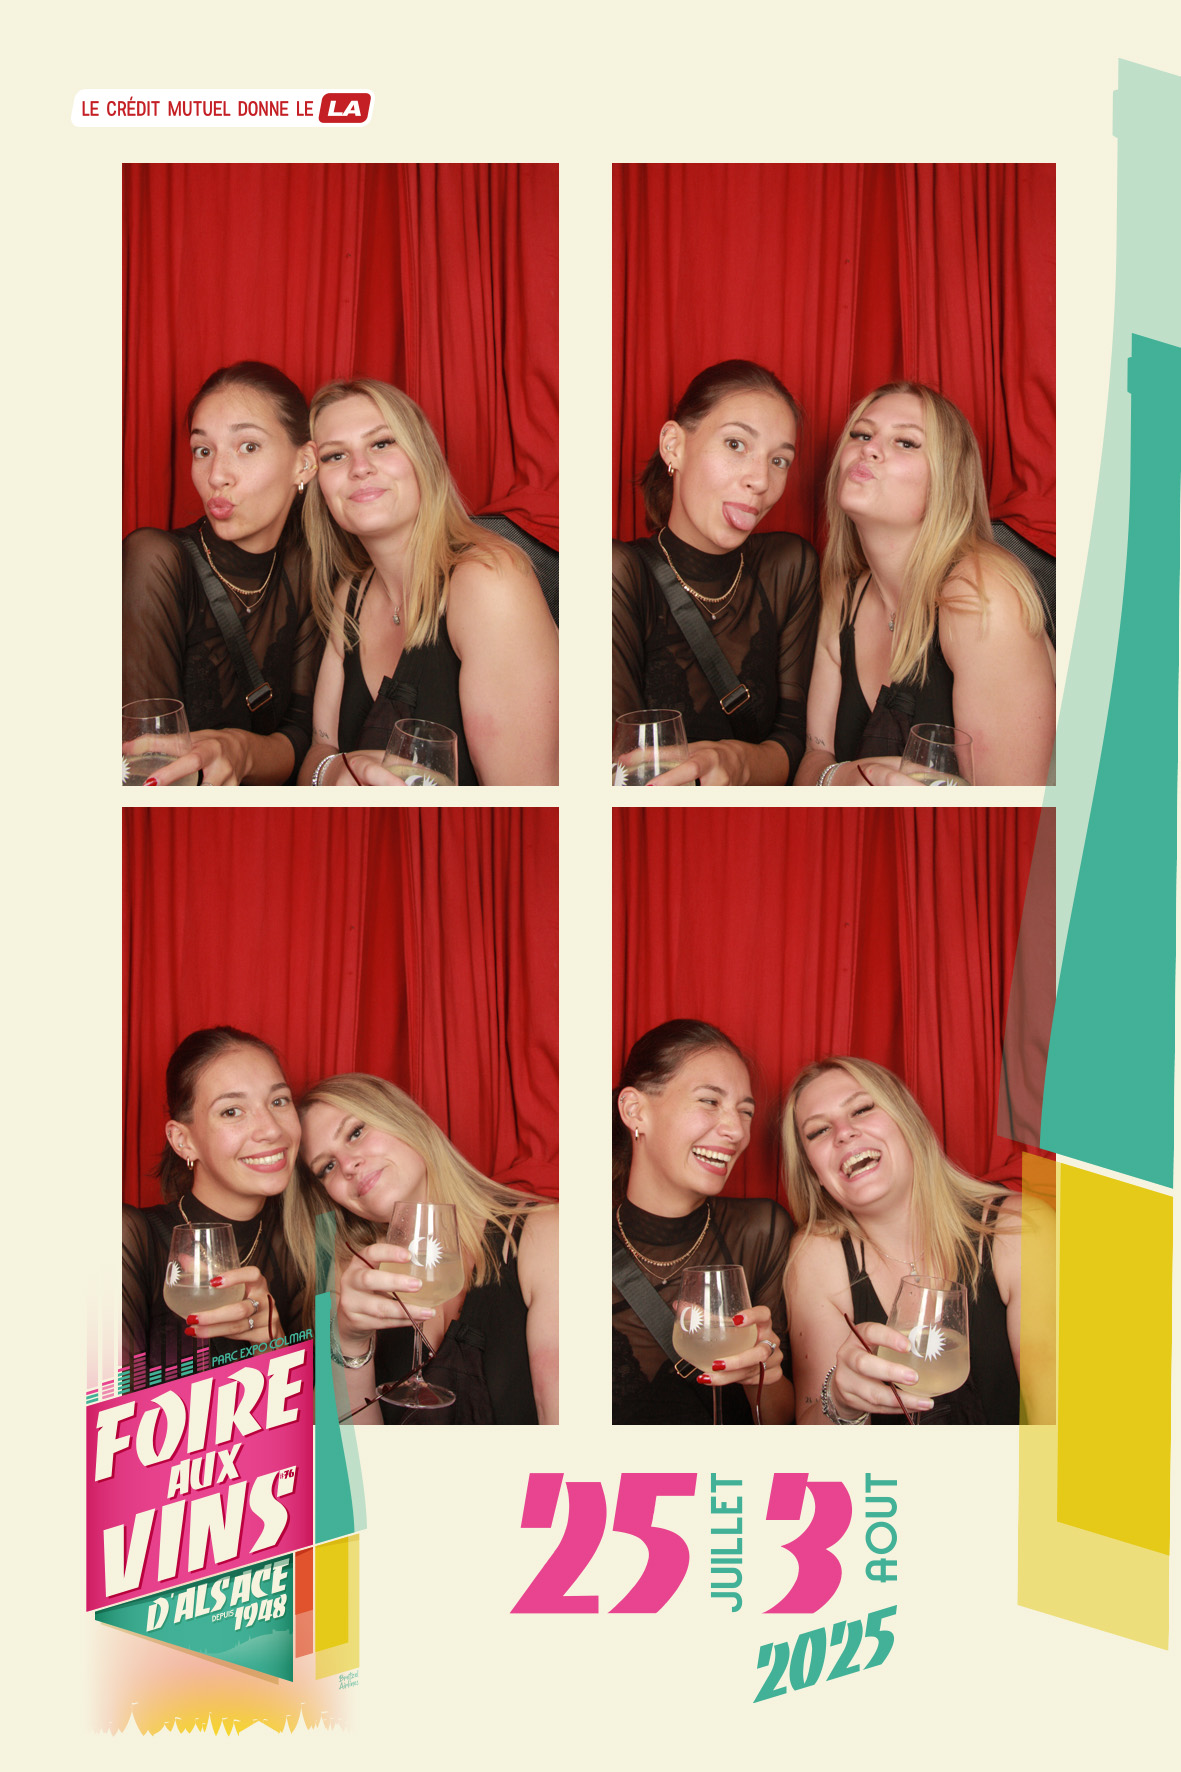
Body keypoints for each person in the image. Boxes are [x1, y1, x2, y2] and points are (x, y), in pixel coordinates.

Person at [297, 380, 558, 787]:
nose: (360, 467)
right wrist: (333, 773)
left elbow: (528, 802)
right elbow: (321, 745)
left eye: (381, 443)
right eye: (335, 455)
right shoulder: (349, 594)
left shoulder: (489, 584)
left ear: (423, 458)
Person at [795, 383, 1055, 787]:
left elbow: (1012, 806)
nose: (869, 448)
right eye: (861, 434)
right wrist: (841, 777)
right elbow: (814, 758)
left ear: (945, 482)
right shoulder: (843, 596)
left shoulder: (979, 595)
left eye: (906, 442)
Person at [782, 1057, 1048, 1425]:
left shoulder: (1018, 1229)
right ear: (814, 1174)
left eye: (861, 1109)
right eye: (818, 1131)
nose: (843, 1133)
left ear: (908, 1121)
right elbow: (814, 1436)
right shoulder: (816, 1256)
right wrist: (840, 1406)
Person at [290, 1073, 558, 1424]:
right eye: (327, 1167)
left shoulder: (543, 1235)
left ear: (405, 1119)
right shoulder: (349, 1284)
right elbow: (348, 1457)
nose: (348, 1165)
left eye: (356, 1132)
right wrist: (348, 1342)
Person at [612, 360, 819, 785]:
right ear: (674, 445)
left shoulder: (789, 564)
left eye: (779, 460)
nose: (761, 480)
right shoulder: (618, 574)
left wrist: (738, 762)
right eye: (736, 444)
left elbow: (794, 741)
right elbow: (619, 766)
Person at [123, 362, 323, 784]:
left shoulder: (309, 565)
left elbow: (301, 737)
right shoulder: (155, 561)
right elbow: (147, 764)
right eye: (203, 450)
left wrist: (241, 752)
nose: (216, 476)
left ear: (304, 463)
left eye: (247, 446)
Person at [612, 1020, 793, 1423]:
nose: (736, 1131)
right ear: (635, 1111)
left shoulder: (762, 1232)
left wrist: (764, 1374)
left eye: (746, 1112)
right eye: (710, 1101)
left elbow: (783, 1424)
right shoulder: (562, 1243)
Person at [122, 1027, 303, 1382]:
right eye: (232, 1111)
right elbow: (99, 1412)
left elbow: (331, 1415)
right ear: (183, 1141)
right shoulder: (128, 1239)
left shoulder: (307, 1244)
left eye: (279, 1101)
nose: (271, 1129)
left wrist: (273, 1346)